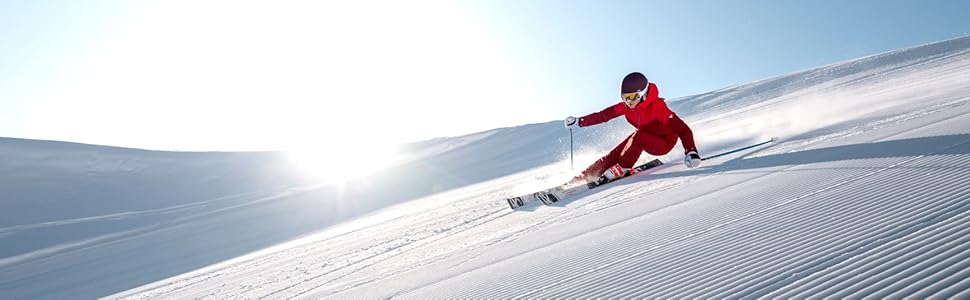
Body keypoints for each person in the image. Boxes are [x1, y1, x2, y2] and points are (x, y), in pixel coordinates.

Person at [564, 72, 701, 185]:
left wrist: (691, 152)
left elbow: (683, 129)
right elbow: (603, 116)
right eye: (626, 98)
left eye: (634, 97)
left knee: (638, 136)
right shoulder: (625, 107)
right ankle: (585, 176)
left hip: (663, 143)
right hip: (643, 136)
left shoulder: (658, 108)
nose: (630, 102)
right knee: (616, 152)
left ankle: (623, 167)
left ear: (644, 93)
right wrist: (579, 121)